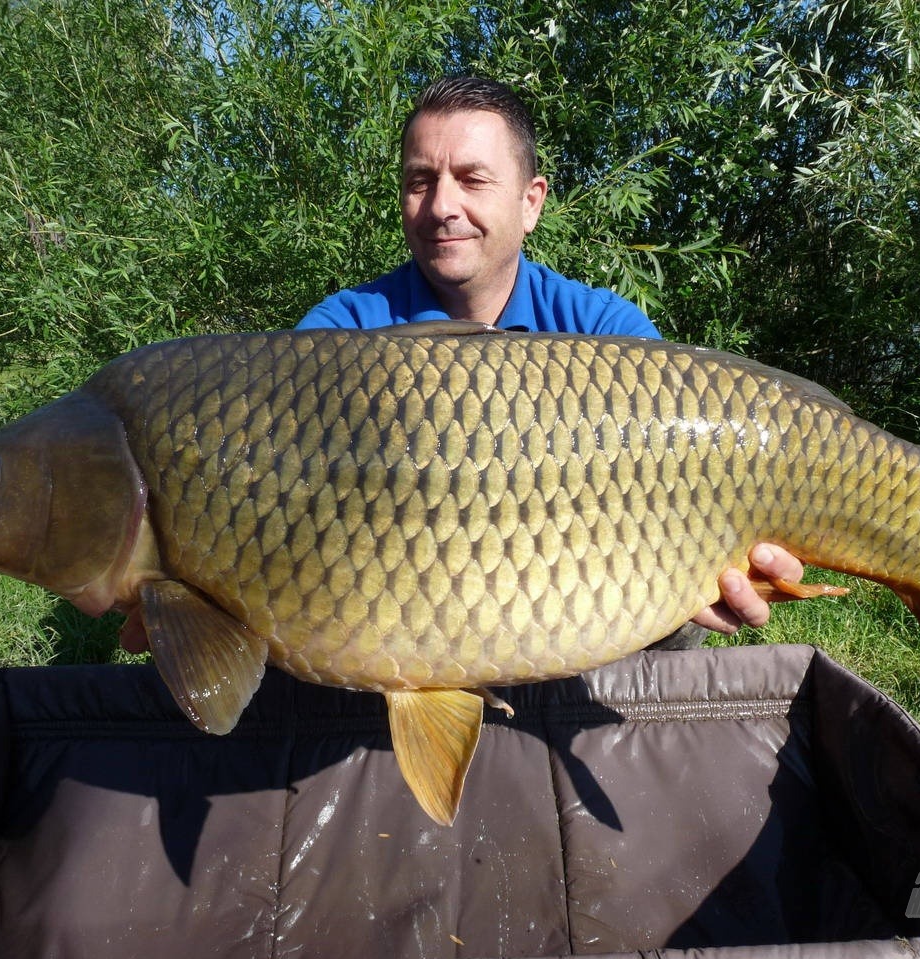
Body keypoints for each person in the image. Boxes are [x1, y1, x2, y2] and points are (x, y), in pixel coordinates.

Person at [297, 76, 803, 634]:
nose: (443, 206)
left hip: (585, 626)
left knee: (680, 615)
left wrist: (740, 559)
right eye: (421, 181)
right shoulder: (338, 336)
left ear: (530, 201)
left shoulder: (606, 332)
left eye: (472, 180)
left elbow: (695, 483)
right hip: (399, 624)